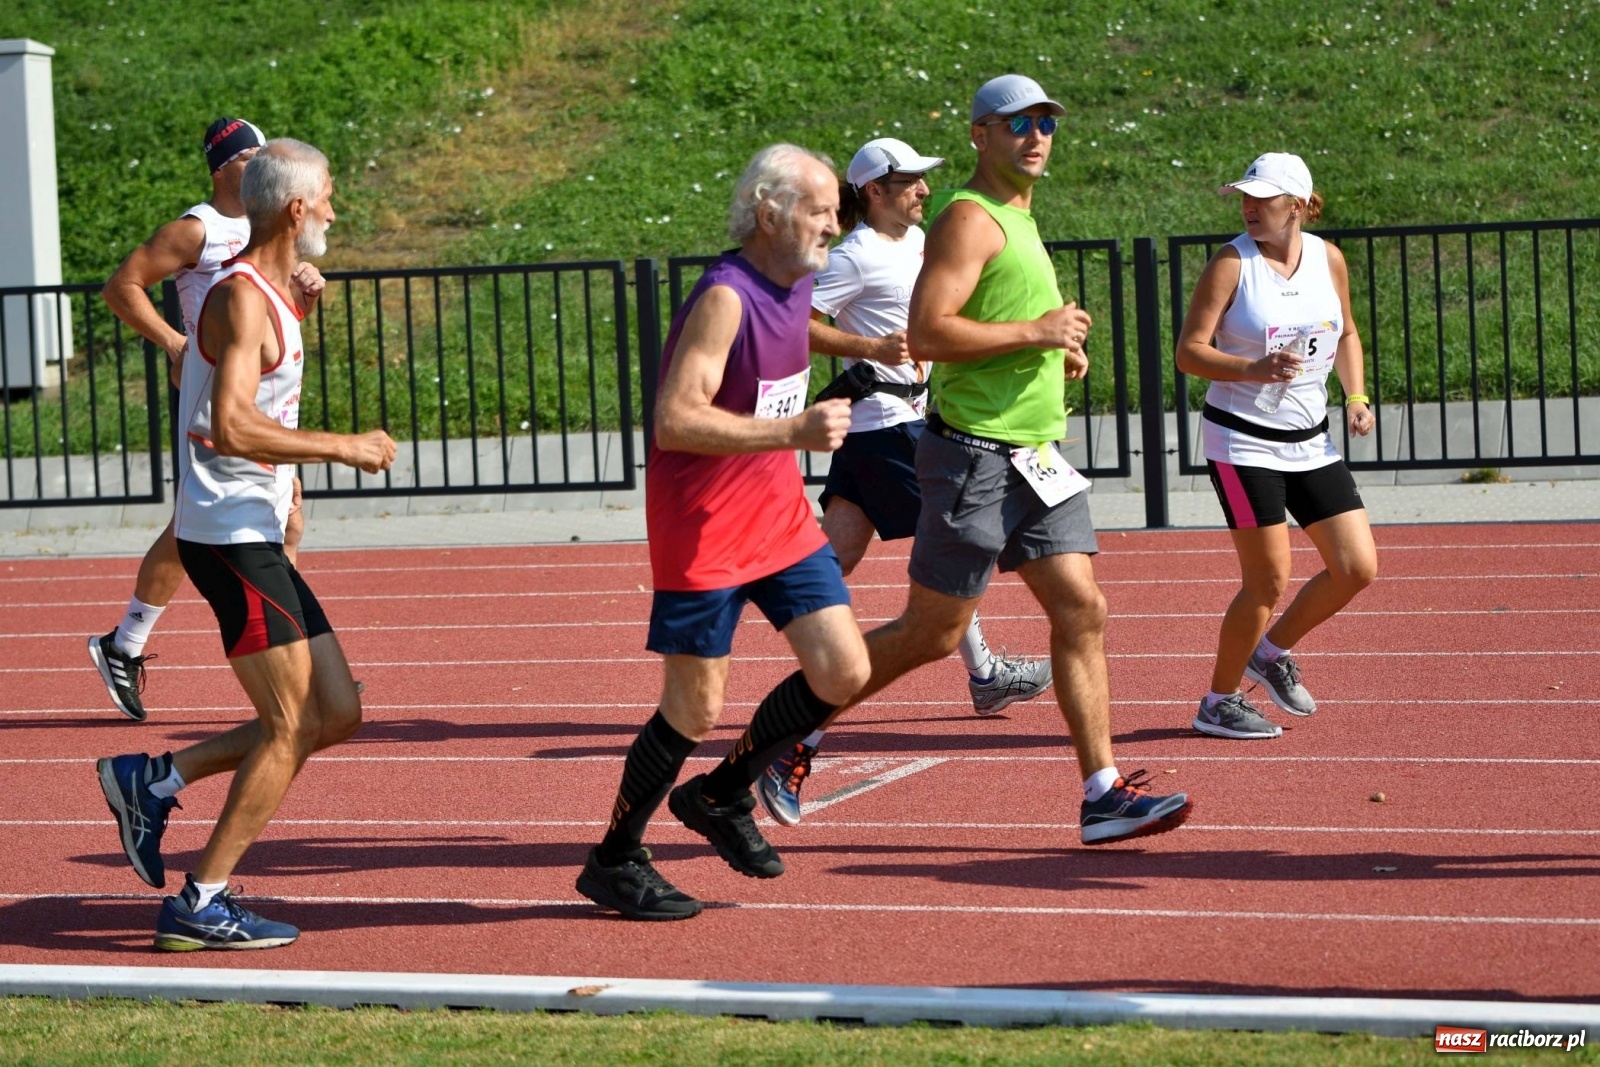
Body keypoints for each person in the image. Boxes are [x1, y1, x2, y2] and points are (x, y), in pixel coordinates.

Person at [788, 74, 1192, 845]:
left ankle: (1102, 790)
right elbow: (931, 333)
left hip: (1033, 455)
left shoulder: (1019, 217)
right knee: (932, 632)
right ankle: (789, 731)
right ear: (982, 135)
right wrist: (1035, 333)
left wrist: (1056, 350)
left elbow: (1001, 324)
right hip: (970, 455)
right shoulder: (967, 220)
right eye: (1018, 123)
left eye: (1046, 122)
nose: (1037, 135)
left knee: (1082, 608)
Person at [95, 139, 397, 951]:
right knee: (292, 722)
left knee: (338, 711)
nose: (336, 209)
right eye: (329, 196)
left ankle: (154, 778)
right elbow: (226, 424)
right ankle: (201, 899)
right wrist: (343, 447)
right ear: (297, 209)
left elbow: (258, 404)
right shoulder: (241, 300)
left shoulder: (274, 290)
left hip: (256, 527)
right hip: (227, 536)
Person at [575, 144, 871, 922]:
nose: (834, 226)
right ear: (770, 212)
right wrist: (794, 431)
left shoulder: (793, 282)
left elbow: (795, 341)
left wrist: (867, 351)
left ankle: (721, 790)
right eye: (821, 211)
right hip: (705, 524)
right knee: (694, 708)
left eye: (837, 213)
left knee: (844, 670)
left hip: (776, 512)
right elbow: (675, 419)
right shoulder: (725, 296)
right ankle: (614, 858)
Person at [757, 136, 1053, 827]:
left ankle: (760, 590)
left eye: (924, 179)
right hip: (887, 424)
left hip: (895, 423)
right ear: (874, 191)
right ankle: (983, 675)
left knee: (838, 556)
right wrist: (871, 348)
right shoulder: (856, 254)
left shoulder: (923, 243)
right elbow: (797, 321)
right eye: (910, 180)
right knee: (952, 556)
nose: (924, 189)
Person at [89, 117, 307, 722]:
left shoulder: (269, 227)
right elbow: (121, 285)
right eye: (251, 155)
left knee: (286, 517)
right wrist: (174, 342)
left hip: (267, 396)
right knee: (201, 528)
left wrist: (304, 297)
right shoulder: (197, 229)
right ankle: (126, 642)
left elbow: (269, 315)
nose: (262, 161)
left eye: (267, 153)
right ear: (223, 168)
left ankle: (295, 659)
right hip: (215, 397)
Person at [1175, 152, 1378, 740]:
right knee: (1267, 579)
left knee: (1356, 567)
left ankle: (1270, 652)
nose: (1248, 207)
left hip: (1311, 440)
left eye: (1263, 198)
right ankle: (1218, 700)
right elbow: (1189, 353)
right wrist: (1252, 368)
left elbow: (1348, 333)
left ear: (1299, 205)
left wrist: (1357, 396)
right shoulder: (1231, 264)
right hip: (1242, 442)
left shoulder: (1327, 259)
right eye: (1245, 196)